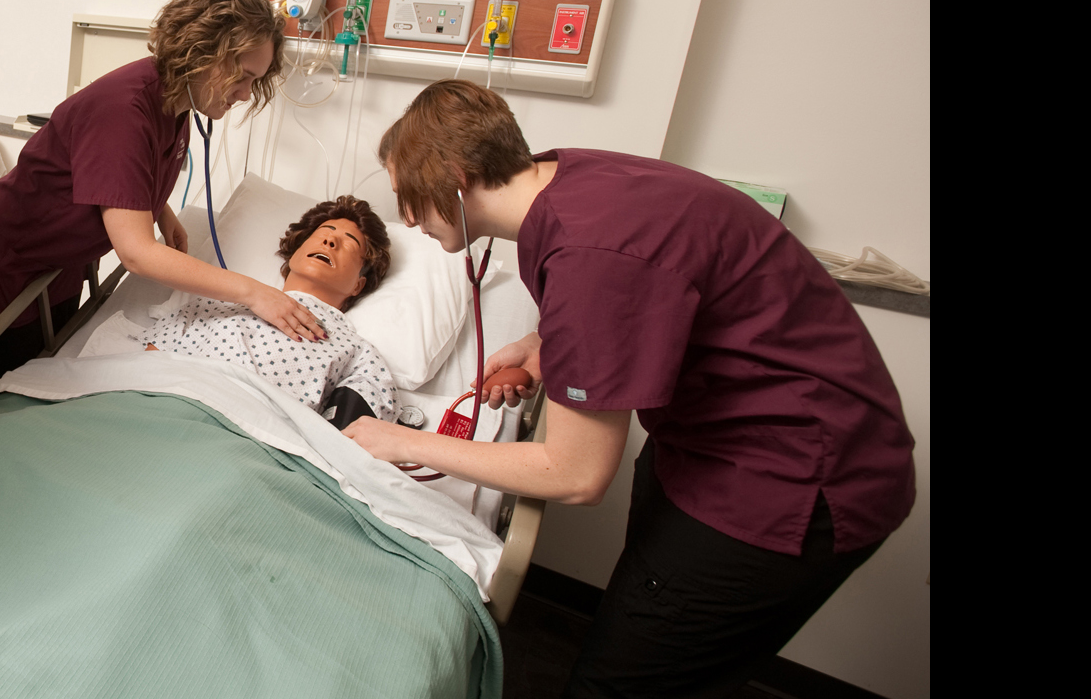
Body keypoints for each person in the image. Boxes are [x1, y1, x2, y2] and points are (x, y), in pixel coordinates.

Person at [343, 79, 916, 699]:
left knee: (619, 683)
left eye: (410, 199)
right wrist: (546, 347)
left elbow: (575, 475)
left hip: (794, 479)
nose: (407, 220)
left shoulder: (589, 251)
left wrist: (401, 442)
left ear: (455, 177)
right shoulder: (572, 177)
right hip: (736, 439)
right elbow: (660, 283)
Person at [0, 0, 314, 415]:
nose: (245, 95)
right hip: (5, 275)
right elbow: (137, 254)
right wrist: (256, 293)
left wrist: (161, 211)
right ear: (202, 54)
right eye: (243, 78)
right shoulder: (124, 109)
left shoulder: (175, 99)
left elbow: (127, 172)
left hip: (54, 273)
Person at [137, 196, 399, 429]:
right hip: (161, 410)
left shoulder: (357, 352)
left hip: (246, 438)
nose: (330, 240)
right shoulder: (213, 304)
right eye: (324, 231)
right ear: (295, 252)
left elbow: (357, 439)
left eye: (350, 242)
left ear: (358, 285)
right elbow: (142, 374)